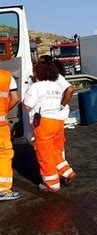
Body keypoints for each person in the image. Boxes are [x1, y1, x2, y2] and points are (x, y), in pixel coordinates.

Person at [23, 61, 76, 192]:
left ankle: (51, 184)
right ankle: (66, 171)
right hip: (58, 122)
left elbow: (27, 105)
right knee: (55, 150)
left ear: (38, 73)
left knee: (44, 153)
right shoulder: (56, 87)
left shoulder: (36, 86)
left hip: (44, 123)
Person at [0, 69, 20, 201]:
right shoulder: (6, 76)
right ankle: (2, 189)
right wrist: (4, 111)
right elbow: (15, 98)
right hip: (1, 125)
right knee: (4, 154)